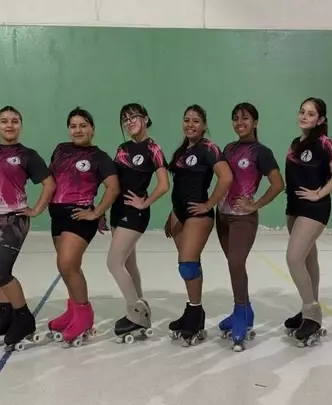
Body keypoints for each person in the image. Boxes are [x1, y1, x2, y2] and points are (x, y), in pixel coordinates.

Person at [0, 106, 55, 352]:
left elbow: (49, 184)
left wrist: (36, 210)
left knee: (2, 270)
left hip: (13, 220)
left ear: (20, 125)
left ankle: (24, 318)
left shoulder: (27, 155)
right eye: (4, 121)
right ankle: (5, 314)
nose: (9, 125)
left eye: (14, 121)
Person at [45, 107, 120, 347]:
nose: (78, 130)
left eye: (83, 125)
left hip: (79, 216)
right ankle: (73, 310)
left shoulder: (99, 157)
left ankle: (84, 315)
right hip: (57, 216)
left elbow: (113, 188)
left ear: (92, 129)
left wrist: (96, 213)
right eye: (73, 126)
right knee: (68, 267)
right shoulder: (60, 150)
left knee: (67, 263)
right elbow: (52, 180)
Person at [215, 102, 284, 351]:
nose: (239, 122)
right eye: (235, 118)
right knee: (232, 265)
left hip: (243, 218)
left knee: (236, 262)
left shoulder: (261, 152)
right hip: (221, 217)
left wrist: (256, 204)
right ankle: (245, 311)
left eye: (245, 118)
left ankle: (240, 313)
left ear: (255, 122)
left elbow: (278, 184)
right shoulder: (228, 148)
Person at [164, 104, 233, 346]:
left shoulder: (208, 148)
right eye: (187, 120)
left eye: (195, 121)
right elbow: (180, 185)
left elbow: (226, 177)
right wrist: (173, 213)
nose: (190, 124)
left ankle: (195, 313)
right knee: (189, 265)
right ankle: (194, 310)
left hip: (198, 214)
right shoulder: (183, 150)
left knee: (187, 264)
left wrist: (209, 204)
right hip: (179, 214)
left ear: (204, 125)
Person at [282, 97, 332, 348]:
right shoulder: (295, 143)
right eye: (302, 112)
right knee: (308, 259)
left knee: (294, 258)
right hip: (294, 208)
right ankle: (308, 311)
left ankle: (312, 312)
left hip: (314, 209)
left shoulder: (323, 142)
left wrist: (320, 193)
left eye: (310, 114)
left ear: (320, 119)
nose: (304, 116)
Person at [104, 103, 168, 344]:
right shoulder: (122, 149)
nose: (129, 122)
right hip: (117, 211)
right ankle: (141, 310)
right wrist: (102, 210)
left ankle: (136, 311)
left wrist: (145, 202)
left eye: (134, 117)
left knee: (113, 263)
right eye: (125, 119)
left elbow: (164, 184)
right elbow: (113, 183)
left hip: (135, 214)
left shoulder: (153, 148)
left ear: (145, 119)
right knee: (129, 263)